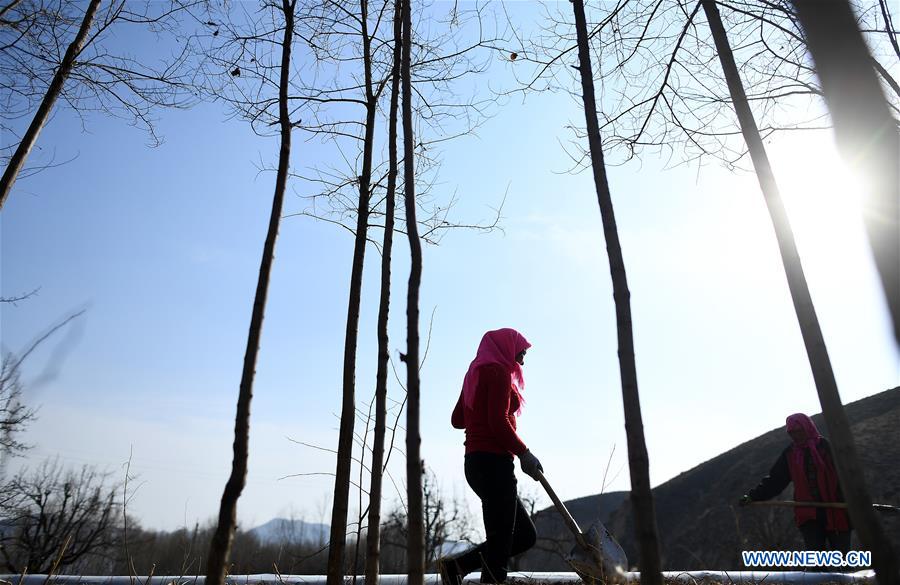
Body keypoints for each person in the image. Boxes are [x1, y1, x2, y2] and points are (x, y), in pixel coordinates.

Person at [439, 328, 542, 585]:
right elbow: (497, 423)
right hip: (494, 463)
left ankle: (457, 567)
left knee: (522, 536)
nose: (522, 360)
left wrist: (476, 398)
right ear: (506, 348)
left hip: (475, 464)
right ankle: (462, 570)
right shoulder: (497, 372)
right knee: (501, 546)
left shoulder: (475, 372)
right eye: (520, 353)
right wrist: (524, 453)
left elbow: (457, 419)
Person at [739, 413, 851, 554]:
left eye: (799, 431)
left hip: (837, 511)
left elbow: (847, 475)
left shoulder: (826, 448)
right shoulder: (790, 454)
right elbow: (775, 480)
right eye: (792, 433)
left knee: (844, 561)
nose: (796, 436)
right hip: (808, 514)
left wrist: (854, 500)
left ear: (808, 428)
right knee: (816, 563)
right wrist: (753, 496)